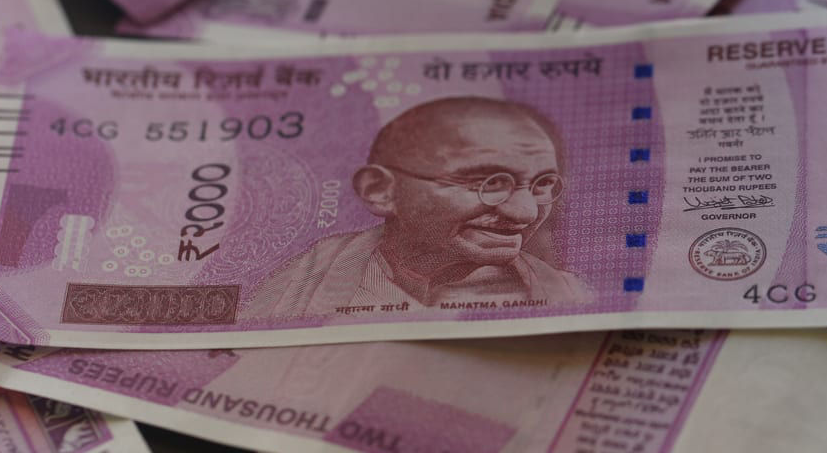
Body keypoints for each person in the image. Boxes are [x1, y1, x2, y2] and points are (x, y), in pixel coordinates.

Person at [249, 96, 592, 316]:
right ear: (381, 191)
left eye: (542, 185)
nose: (525, 213)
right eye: (485, 183)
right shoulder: (293, 290)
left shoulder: (573, 297)